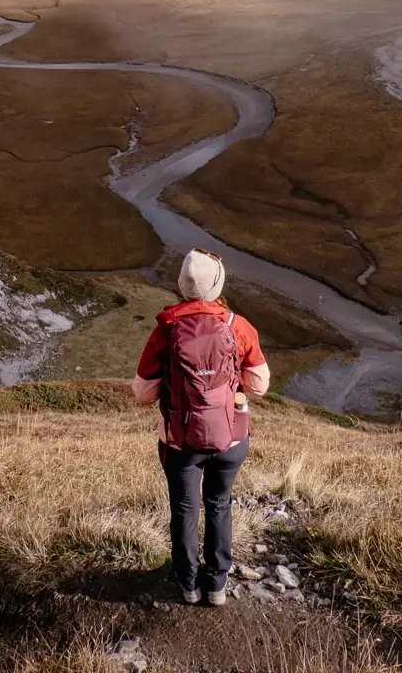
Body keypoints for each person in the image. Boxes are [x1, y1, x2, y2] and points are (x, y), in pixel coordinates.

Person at [132, 247, 270, 607]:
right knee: (220, 504)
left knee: (184, 509)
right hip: (231, 437)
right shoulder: (237, 326)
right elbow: (259, 385)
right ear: (218, 284)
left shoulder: (167, 329)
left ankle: (188, 585)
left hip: (179, 440)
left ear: (182, 285)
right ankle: (217, 585)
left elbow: (143, 393)